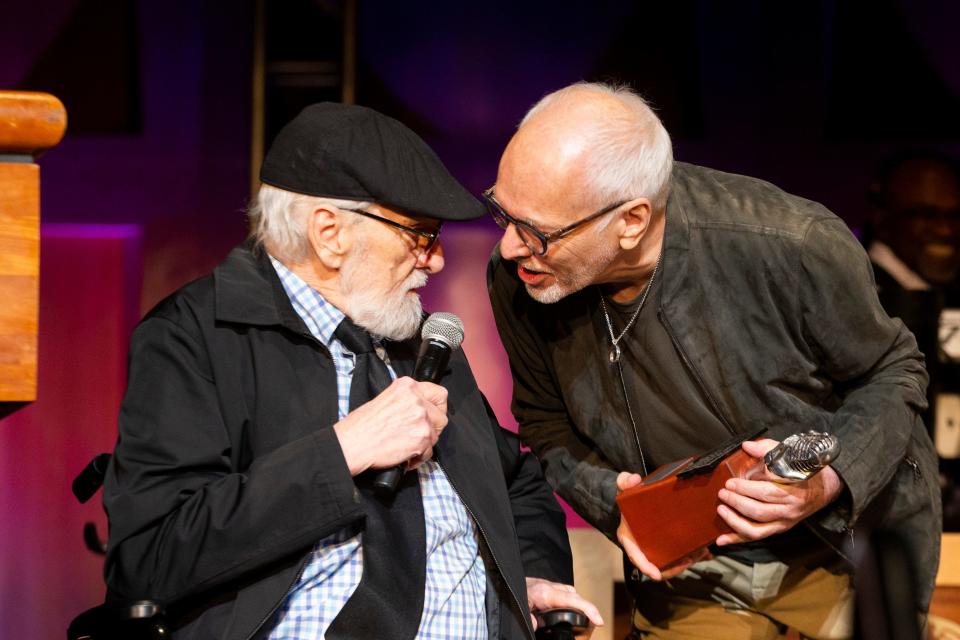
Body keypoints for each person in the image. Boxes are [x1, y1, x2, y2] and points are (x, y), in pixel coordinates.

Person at [102, 102, 602, 639]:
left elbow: (517, 481)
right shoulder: (197, 337)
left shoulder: (424, 344)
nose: (435, 260)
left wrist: (523, 575)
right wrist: (341, 452)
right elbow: (148, 559)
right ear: (330, 233)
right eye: (419, 234)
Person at [485, 82, 941, 639]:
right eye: (502, 214)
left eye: (536, 232)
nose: (509, 247)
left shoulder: (790, 243)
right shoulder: (520, 278)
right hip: (692, 564)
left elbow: (895, 371)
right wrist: (614, 503)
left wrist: (826, 484)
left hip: (841, 545)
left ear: (631, 221)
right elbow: (544, 421)